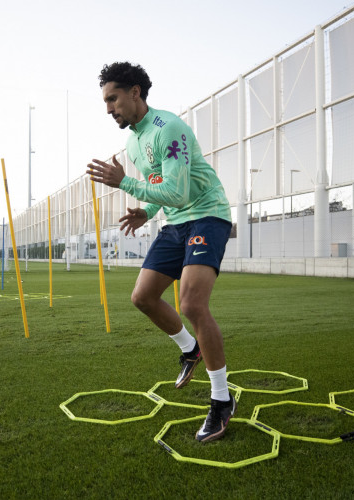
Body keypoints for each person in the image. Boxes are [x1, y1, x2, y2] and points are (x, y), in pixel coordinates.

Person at [86, 62, 235, 442]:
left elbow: (180, 193)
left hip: (207, 216)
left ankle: (222, 400)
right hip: (176, 223)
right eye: (105, 101)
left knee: (192, 305)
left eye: (113, 98)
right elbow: (160, 188)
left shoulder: (168, 128)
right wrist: (146, 212)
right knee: (142, 296)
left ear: (135, 92)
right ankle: (191, 349)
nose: (108, 109)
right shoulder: (134, 141)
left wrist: (127, 185)